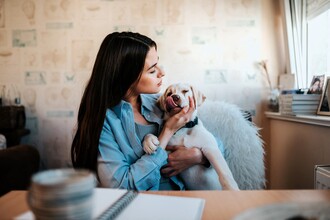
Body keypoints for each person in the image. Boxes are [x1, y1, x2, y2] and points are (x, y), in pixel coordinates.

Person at [71, 32, 209, 191]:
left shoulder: (162, 103)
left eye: (158, 63)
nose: (162, 72)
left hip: (187, 196)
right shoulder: (104, 122)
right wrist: (167, 131)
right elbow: (121, 185)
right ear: (127, 77)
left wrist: (197, 156)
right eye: (152, 70)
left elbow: (218, 144)